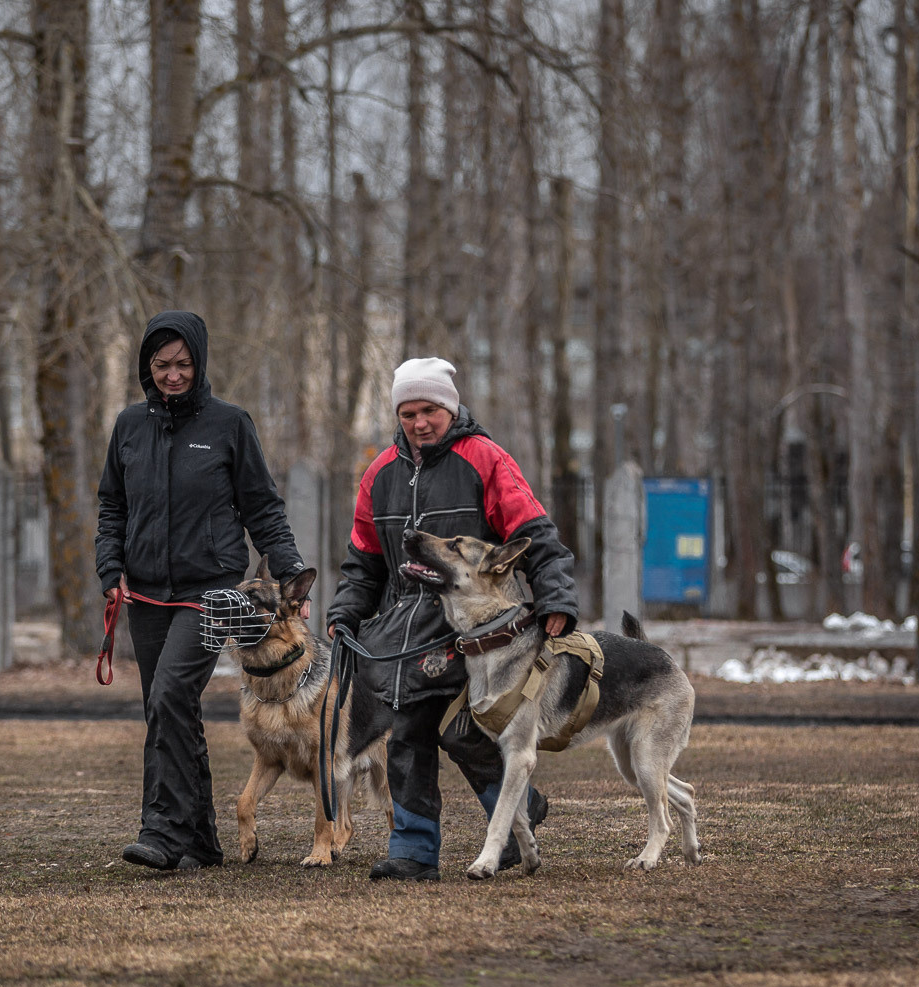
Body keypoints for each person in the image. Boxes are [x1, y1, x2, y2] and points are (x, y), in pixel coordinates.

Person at [326, 357, 578, 882]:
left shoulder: (485, 458)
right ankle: (414, 852)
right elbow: (364, 560)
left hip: (476, 626)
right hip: (402, 629)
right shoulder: (379, 473)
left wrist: (556, 598)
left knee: (463, 732)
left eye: (430, 411)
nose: (420, 423)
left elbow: (536, 536)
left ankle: (515, 817)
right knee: (407, 731)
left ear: (451, 408)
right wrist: (346, 613)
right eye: (408, 413)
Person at [96, 310, 304, 871]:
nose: (173, 375)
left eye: (183, 364)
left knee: (169, 695)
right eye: (162, 364)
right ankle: (202, 840)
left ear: (200, 362)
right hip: (145, 592)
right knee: (168, 708)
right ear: (147, 366)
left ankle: (162, 831)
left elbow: (262, 507)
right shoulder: (129, 426)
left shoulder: (229, 424)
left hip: (211, 591)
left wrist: (290, 570)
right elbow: (112, 506)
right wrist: (110, 569)